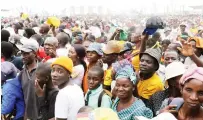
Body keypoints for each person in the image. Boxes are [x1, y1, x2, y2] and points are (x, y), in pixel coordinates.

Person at [20, 39, 40, 119]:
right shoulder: (22, 73)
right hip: (27, 115)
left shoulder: (43, 70)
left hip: (40, 115)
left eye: (26, 53)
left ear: (35, 53)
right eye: (22, 53)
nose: (23, 56)